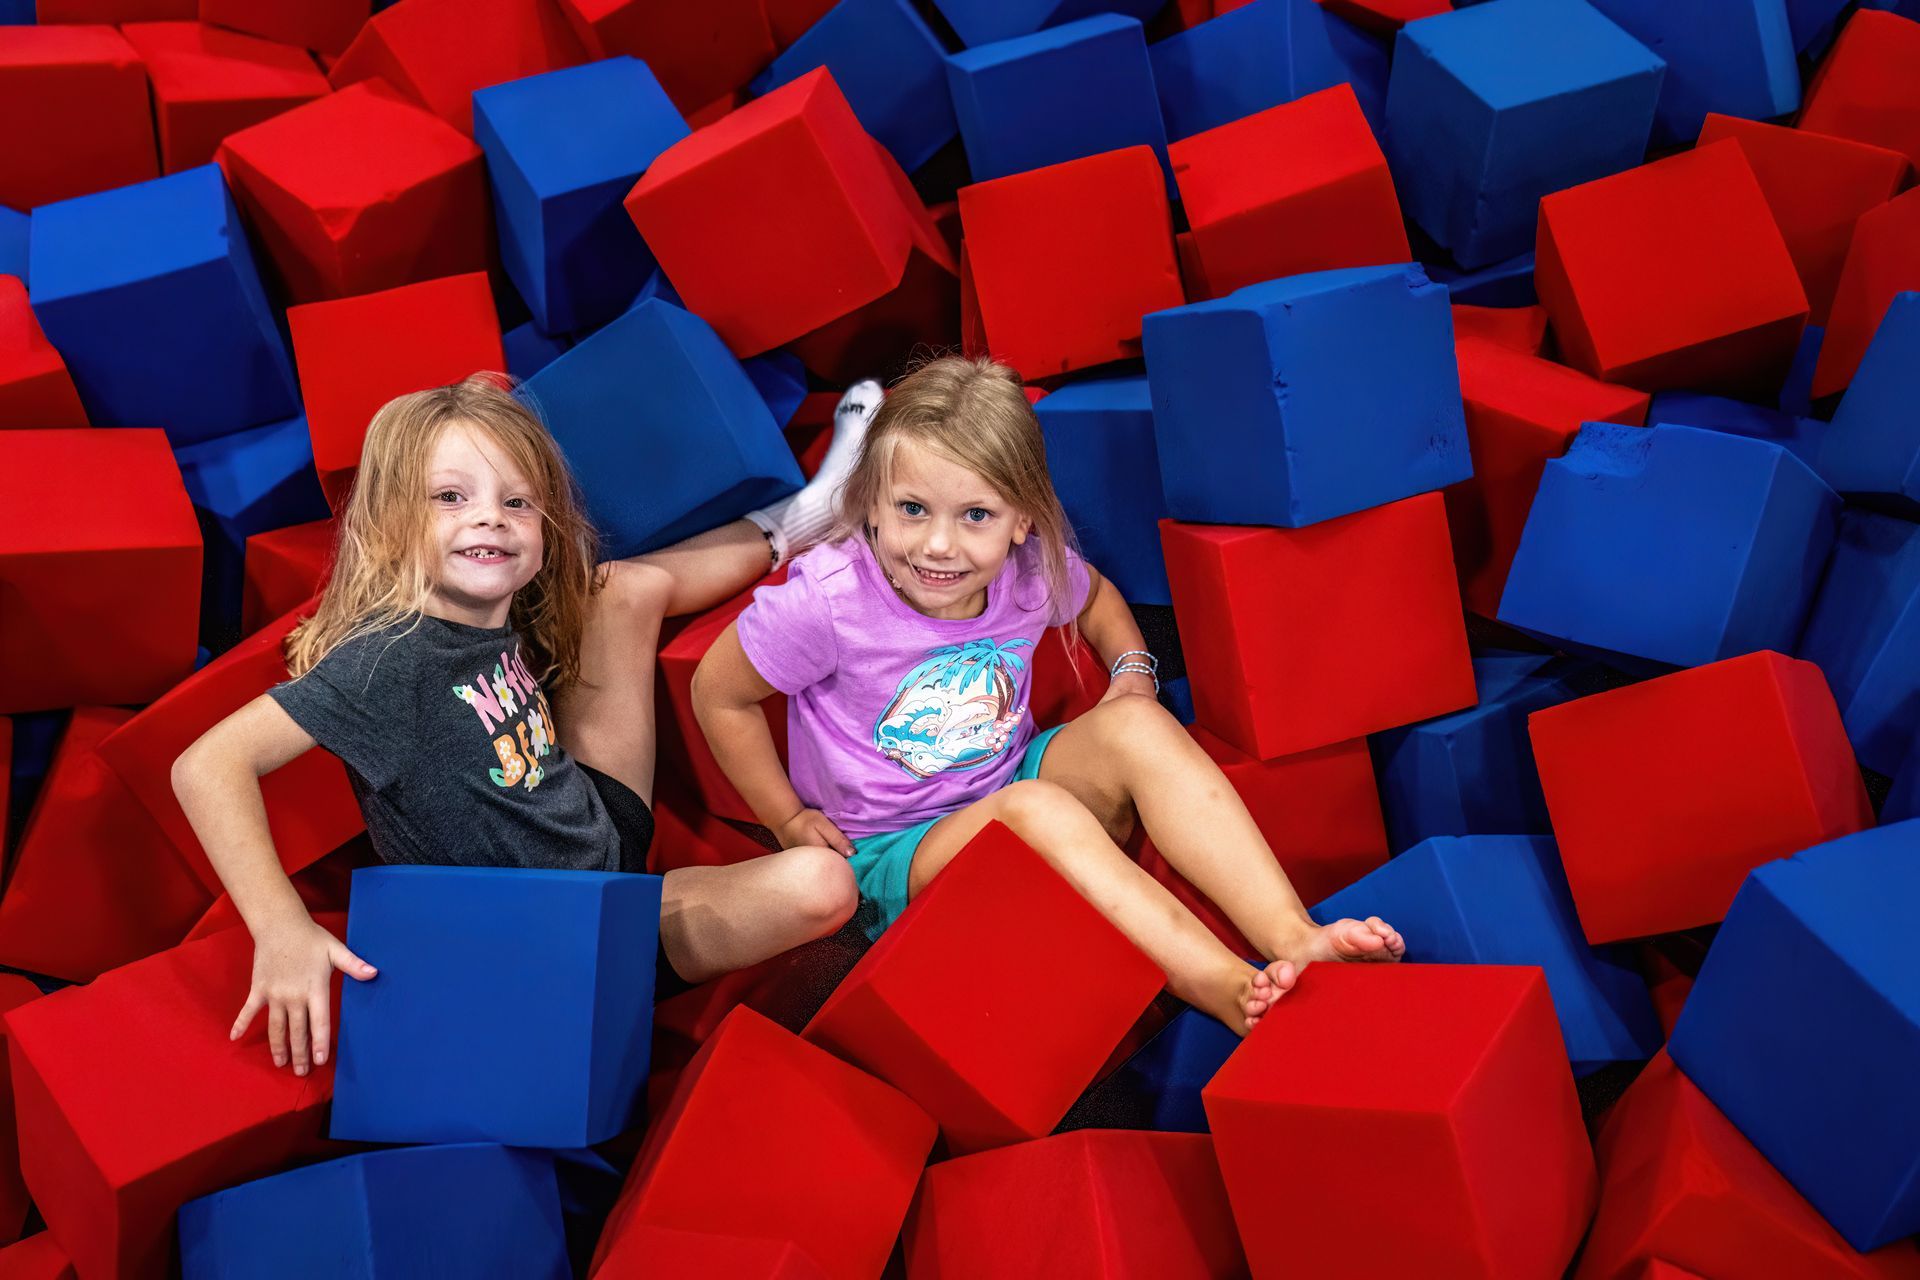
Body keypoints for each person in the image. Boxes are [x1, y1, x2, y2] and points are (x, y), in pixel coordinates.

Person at [172, 371, 879, 1076]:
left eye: (517, 502)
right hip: (570, 938)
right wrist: (280, 926)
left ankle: (820, 512)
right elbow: (206, 766)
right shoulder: (385, 666)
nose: (490, 518)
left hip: (598, 825)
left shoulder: (491, 611)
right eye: (451, 498)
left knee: (618, 589)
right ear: (390, 525)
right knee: (823, 887)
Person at [693, 356, 1406, 1034]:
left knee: (1138, 724)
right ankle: (1225, 987)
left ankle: (1295, 935)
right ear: (870, 508)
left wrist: (1131, 672)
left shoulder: (1027, 573)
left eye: (976, 516)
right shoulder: (828, 602)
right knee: (1035, 809)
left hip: (1012, 778)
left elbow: (1094, 599)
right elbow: (718, 693)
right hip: (892, 852)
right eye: (912, 509)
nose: (939, 545)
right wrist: (786, 818)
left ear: (1022, 521)